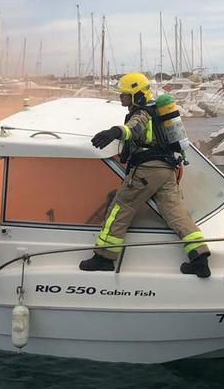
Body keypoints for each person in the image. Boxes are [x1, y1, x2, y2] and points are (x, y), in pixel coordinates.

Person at [82, 72, 211, 277]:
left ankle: (104, 258)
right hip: (167, 170)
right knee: (177, 213)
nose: (121, 99)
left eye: (125, 95)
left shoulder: (142, 113)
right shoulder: (158, 111)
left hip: (146, 171)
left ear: (137, 95)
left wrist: (114, 132)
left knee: (120, 208)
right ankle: (199, 258)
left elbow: (134, 128)